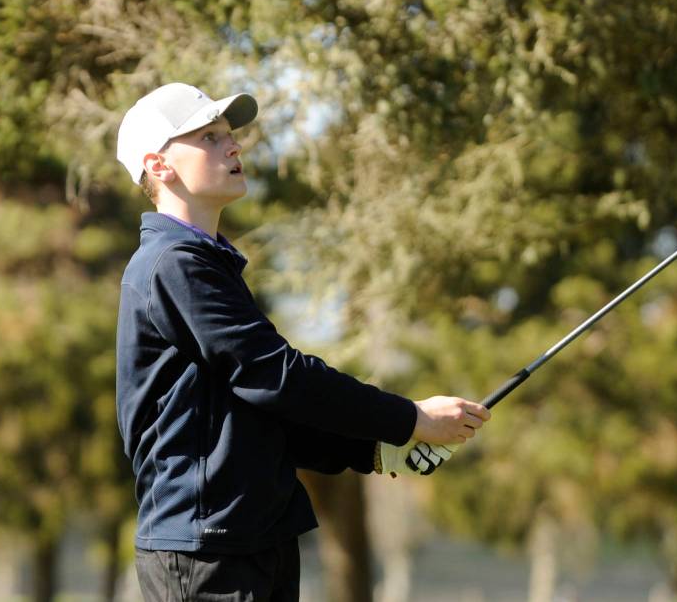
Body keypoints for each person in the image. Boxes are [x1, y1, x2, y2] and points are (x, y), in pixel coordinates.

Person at [115, 82, 490, 600]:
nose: (233, 146)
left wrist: (375, 451)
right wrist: (409, 420)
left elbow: (259, 411)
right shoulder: (173, 266)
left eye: (229, 135)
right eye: (208, 137)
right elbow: (276, 375)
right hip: (206, 551)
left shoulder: (207, 264)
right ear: (159, 166)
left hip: (251, 538)